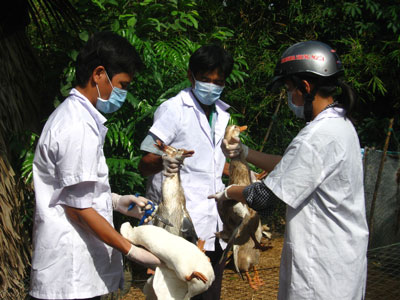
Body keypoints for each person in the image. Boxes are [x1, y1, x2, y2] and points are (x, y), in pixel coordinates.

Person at [210, 41, 369, 299]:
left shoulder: (317, 136)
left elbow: (265, 199)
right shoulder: (340, 125)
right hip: (341, 260)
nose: (288, 96)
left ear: (305, 87)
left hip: (320, 272)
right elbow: (291, 167)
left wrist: (227, 192)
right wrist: (245, 153)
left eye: (288, 88)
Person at [29, 31, 161, 300]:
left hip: (74, 275)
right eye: (122, 85)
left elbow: (71, 193)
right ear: (99, 74)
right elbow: (78, 210)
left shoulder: (78, 118)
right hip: (70, 276)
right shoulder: (77, 125)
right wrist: (131, 250)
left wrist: (115, 201)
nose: (123, 93)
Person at [138, 44, 234, 300]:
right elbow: (145, 162)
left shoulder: (222, 115)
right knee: (175, 293)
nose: (212, 86)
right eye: (205, 79)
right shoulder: (173, 110)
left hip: (214, 226)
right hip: (178, 227)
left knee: (209, 292)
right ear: (191, 76)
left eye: (218, 81)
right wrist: (167, 161)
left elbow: (210, 164)